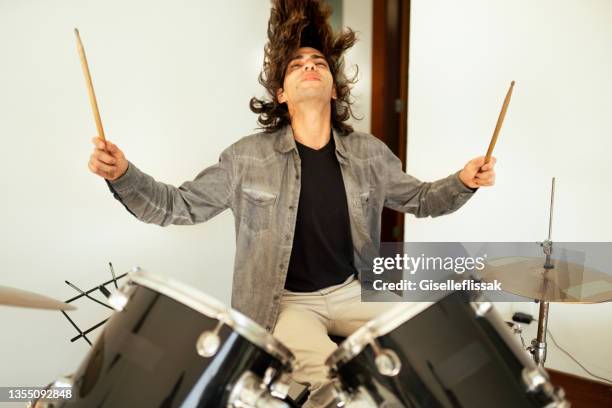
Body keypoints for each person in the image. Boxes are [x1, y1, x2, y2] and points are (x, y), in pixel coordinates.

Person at [87, 1, 496, 406]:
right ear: (281, 94)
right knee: (334, 390)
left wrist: (463, 181)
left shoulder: (370, 153)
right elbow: (176, 206)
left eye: (318, 62)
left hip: (354, 291)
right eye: (297, 64)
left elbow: (423, 200)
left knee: (427, 346)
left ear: (334, 88)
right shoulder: (245, 158)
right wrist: (123, 174)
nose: (310, 66)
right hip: (285, 304)